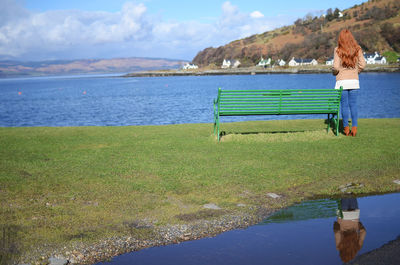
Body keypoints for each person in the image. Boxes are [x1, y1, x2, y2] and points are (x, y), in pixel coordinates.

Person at [332, 29, 366, 136]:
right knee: (353, 105)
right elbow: (363, 64)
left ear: (340, 38)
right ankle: (354, 129)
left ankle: (346, 129)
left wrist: (334, 72)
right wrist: (356, 72)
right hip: (354, 81)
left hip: (341, 82)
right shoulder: (357, 49)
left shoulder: (337, 50)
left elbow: (336, 67)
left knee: (344, 106)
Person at [334, 198, 366, 263]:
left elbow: (363, 231)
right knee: (344, 195)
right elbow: (337, 232)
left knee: (352, 195)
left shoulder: (358, 247)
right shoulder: (339, 247)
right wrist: (336, 225)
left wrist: (358, 224)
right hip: (342, 217)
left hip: (354, 216)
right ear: (341, 255)